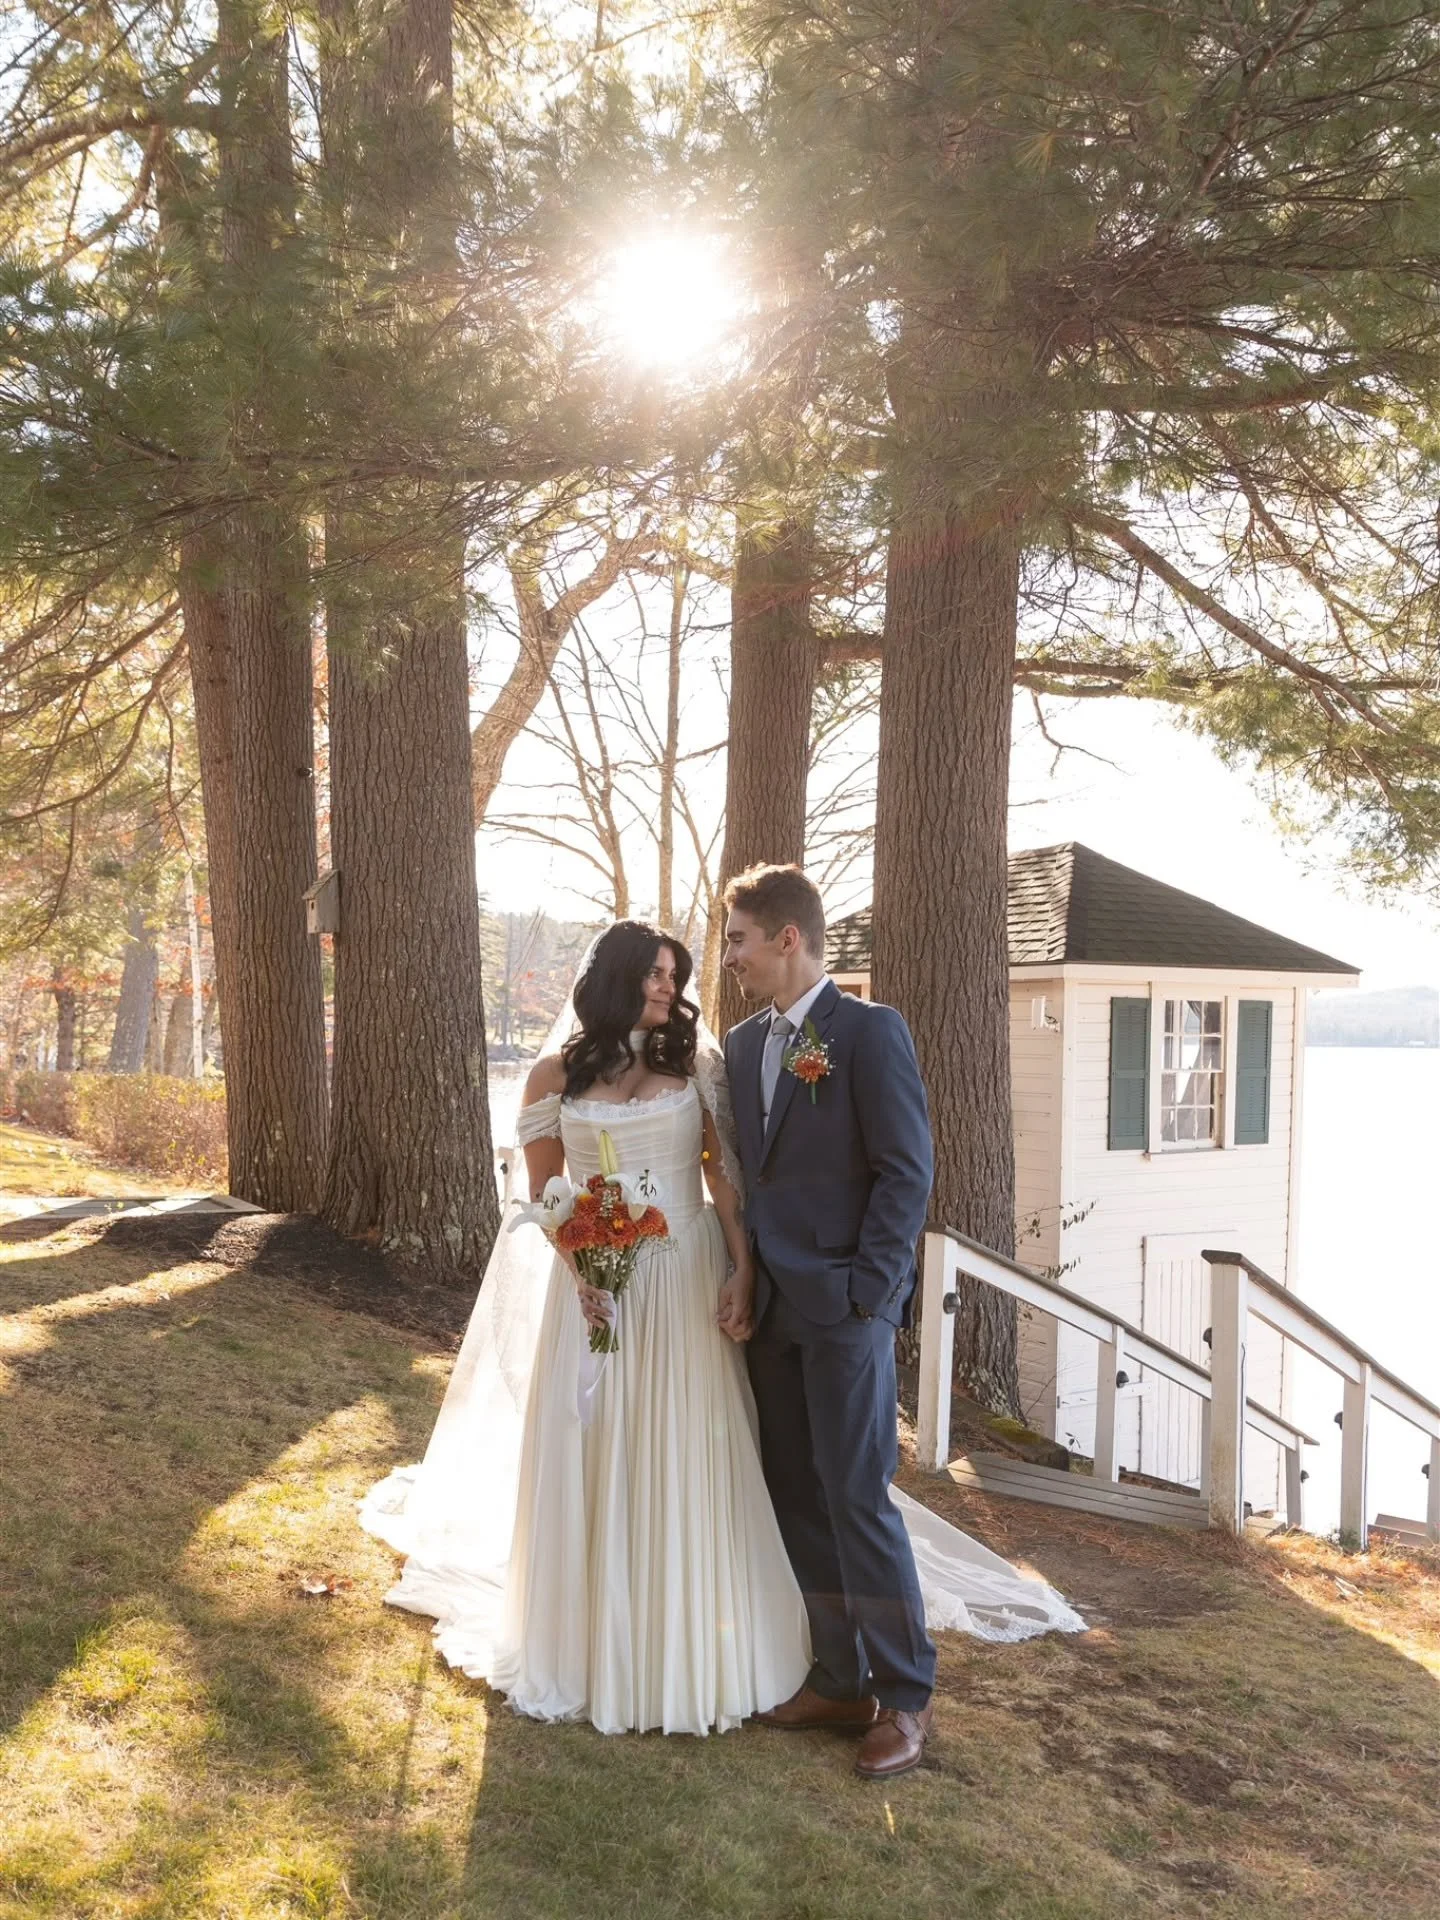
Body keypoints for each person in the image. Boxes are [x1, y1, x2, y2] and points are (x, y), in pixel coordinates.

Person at [359, 917, 1086, 1745]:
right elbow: (546, 1192)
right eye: (655, 974)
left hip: (686, 1280)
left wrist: (742, 1270)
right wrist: (583, 1268)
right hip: (597, 1290)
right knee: (606, 1451)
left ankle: (748, 1652)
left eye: (676, 975)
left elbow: (725, 1180)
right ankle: (603, 1641)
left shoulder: (696, 1064)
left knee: (693, 1451)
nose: (669, 987)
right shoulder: (553, 1074)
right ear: (615, 977)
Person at [721, 863, 936, 1780]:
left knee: (856, 1496)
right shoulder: (741, 1046)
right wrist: (743, 1276)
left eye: (738, 940)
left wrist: (868, 1295)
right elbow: (750, 1175)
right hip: (771, 1309)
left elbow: (906, 1171)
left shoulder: (870, 1032)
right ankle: (841, 1677)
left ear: (788, 939)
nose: (729, 958)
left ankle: (905, 1693)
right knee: (797, 1495)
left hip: (846, 1309)